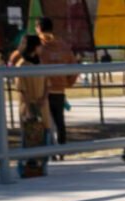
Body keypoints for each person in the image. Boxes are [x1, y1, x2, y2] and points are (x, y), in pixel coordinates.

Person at [34, 18, 78, 154]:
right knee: (60, 121)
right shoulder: (63, 46)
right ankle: (62, 149)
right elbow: (74, 67)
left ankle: (48, 150)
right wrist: (68, 82)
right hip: (59, 90)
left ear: (38, 28)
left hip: (42, 91)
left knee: (45, 122)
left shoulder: (37, 45)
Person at [15, 35, 52, 178]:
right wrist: (29, 109)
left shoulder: (40, 63)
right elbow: (21, 89)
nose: (41, 48)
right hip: (28, 106)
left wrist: (43, 98)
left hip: (43, 106)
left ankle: (41, 167)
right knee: (28, 138)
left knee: (45, 135)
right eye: (39, 45)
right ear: (33, 47)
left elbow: (47, 84)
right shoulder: (22, 65)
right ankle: (24, 167)